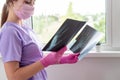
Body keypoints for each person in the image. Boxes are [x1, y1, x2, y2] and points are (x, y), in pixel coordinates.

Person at [0, 0, 79, 80]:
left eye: (33, 3)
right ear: (12, 1)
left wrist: (62, 59)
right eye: (27, 2)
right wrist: (46, 61)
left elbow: (33, 59)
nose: (31, 6)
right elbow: (13, 77)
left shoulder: (25, 27)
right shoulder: (10, 32)